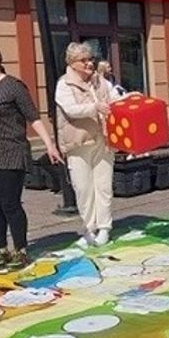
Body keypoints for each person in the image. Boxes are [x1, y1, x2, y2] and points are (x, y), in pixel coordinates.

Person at [0, 42, 62, 269]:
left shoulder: (13, 87)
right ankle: (1, 248)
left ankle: (20, 248)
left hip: (9, 154)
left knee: (10, 204)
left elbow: (33, 117)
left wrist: (49, 145)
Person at [56, 42, 114, 249]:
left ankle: (105, 227)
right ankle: (89, 229)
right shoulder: (64, 84)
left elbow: (114, 99)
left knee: (103, 185)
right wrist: (94, 107)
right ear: (72, 63)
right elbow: (71, 109)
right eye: (84, 60)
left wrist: (129, 99)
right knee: (83, 188)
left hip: (103, 139)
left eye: (91, 59)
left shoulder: (101, 82)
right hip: (78, 142)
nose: (89, 63)